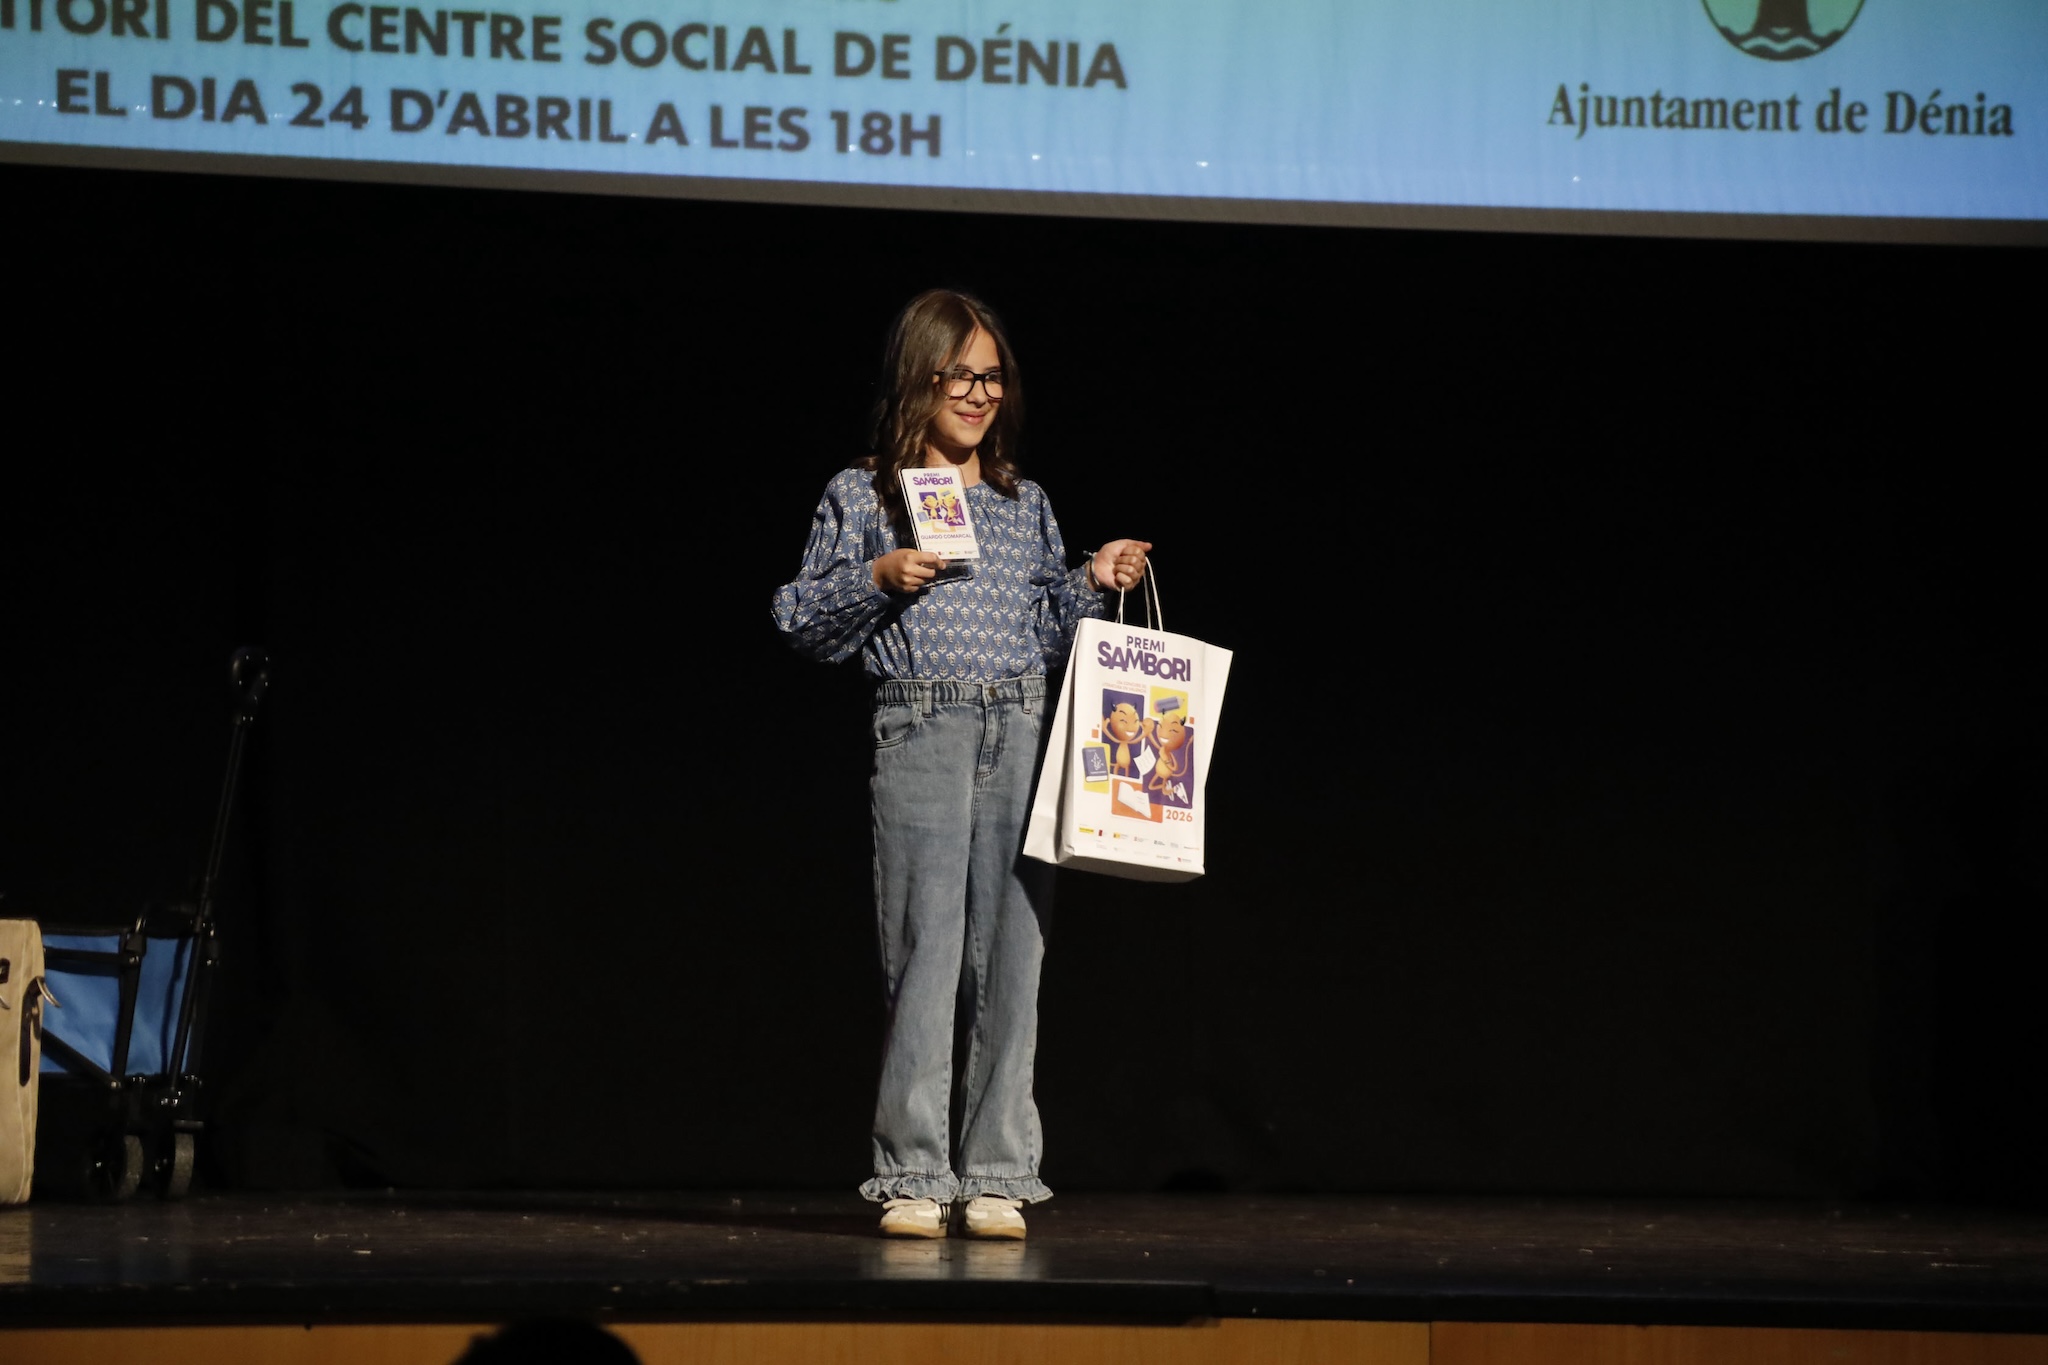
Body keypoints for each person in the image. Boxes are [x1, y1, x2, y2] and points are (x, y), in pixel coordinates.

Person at [771, 289, 1149, 1240]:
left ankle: (998, 1171)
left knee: (1015, 955)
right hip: (923, 726)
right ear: (919, 378)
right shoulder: (865, 491)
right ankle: (913, 1170)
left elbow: (1049, 628)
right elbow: (797, 615)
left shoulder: (1024, 501)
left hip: (1019, 725)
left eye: (992, 377)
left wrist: (1092, 578)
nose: (979, 394)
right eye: (959, 376)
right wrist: (877, 575)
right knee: (926, 949)